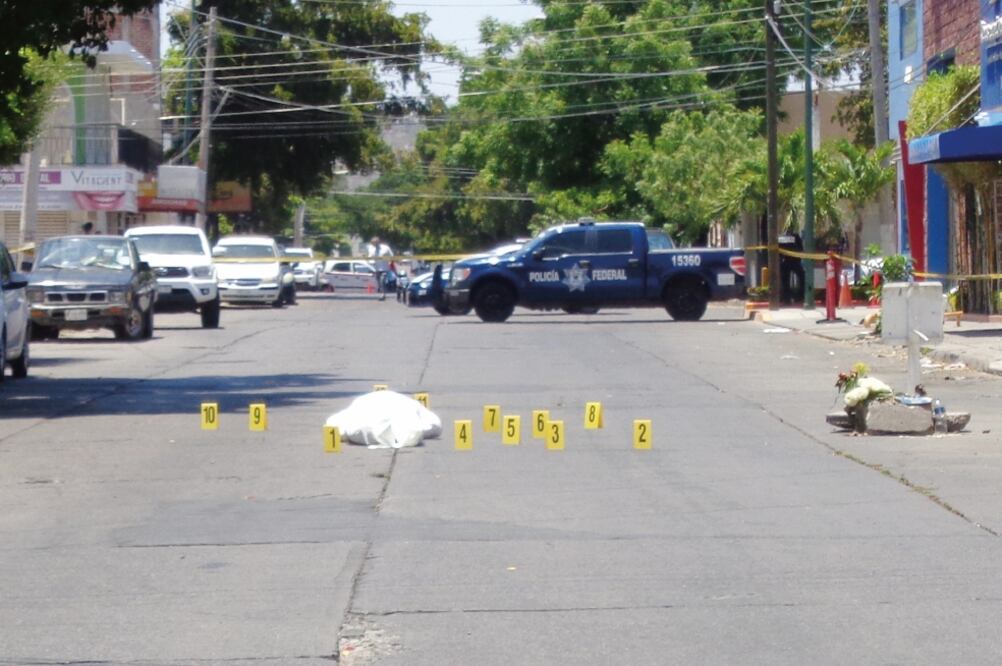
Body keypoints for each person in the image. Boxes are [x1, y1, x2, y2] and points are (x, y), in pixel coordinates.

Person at [365, 236, 394, 301]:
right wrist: (370, 262)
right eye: (373, 243)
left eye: (375, 243)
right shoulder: (371, 249)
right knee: (379, 282)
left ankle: (383, 295)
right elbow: (370, 258)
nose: (374, 245)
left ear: (378, 242)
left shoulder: (385, 248)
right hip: (376, 269)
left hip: (384, 268)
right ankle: (382, 292)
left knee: (382, 280)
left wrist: (389, 262)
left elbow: (391, 256)